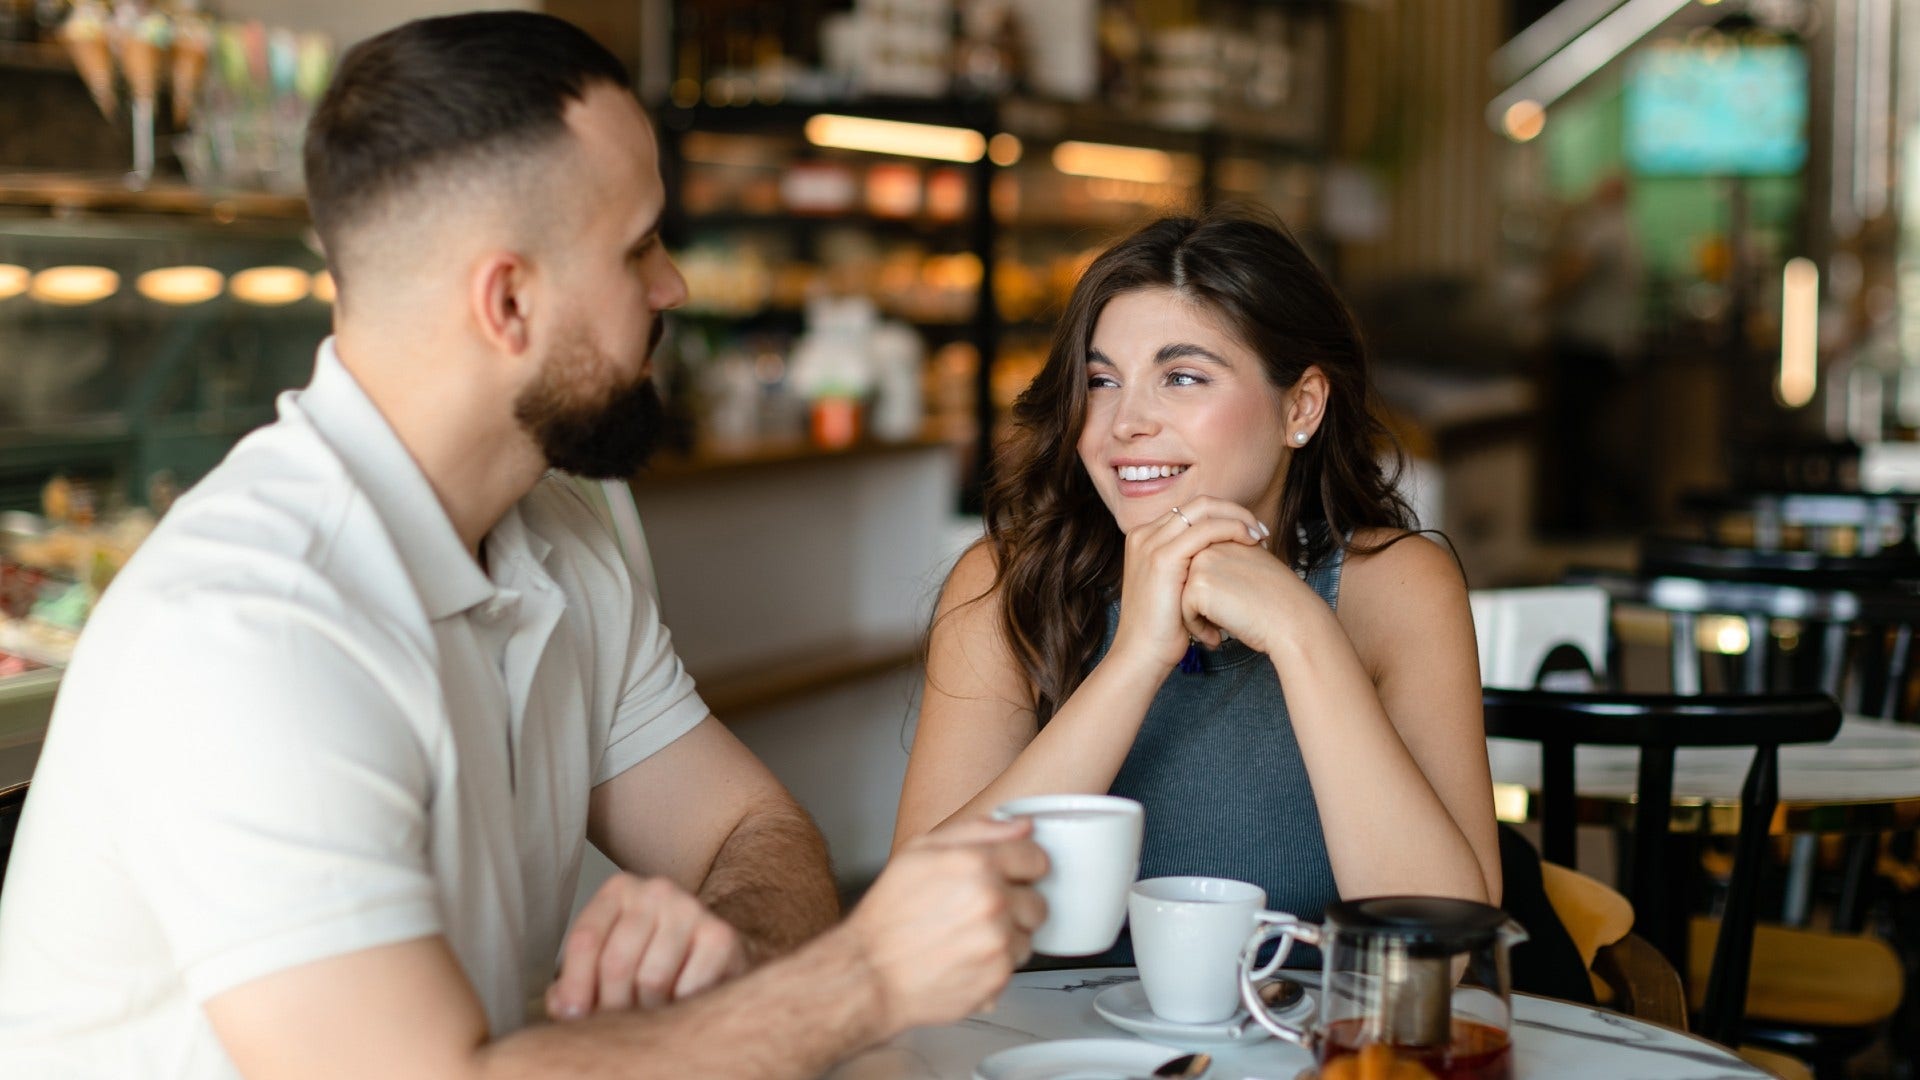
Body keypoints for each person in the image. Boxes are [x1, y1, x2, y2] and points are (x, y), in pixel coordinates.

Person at [0, 12, 1045, 1078]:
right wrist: (861, 977)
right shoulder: (252, 628)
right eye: (639, 246)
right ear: (507, 301)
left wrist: (725, 946)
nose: (672, 285)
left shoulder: (559, 522)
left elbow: (750, 830)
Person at [894, 208, 1500, 963]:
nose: (1124, 422)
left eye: (1181, 377)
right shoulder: (1007, 582)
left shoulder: (1396, 587)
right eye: (1101, 380)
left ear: (1301, 406)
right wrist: (1135, 661)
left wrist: (1303, 632)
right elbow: (913, 932)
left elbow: (1447, 944)